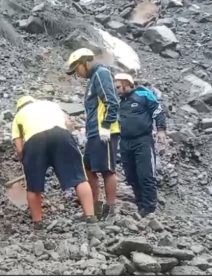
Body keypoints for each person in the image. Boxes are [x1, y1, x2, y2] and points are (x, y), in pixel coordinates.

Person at [11, 96, 103, 239]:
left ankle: (38, 227)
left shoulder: (18, 115)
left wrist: (27, 161)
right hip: (61, 135)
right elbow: (69, 125)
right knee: (79, 178)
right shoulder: (50, 104)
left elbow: (19, 148)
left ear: (19, 107)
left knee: (33, 187)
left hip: (34, 142)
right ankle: (91, 220)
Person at [66, 48, 120, 221]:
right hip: (94, 132)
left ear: (84, 62)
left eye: (77, 70)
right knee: (88, 167)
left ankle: (111, 210)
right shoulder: (92, 79)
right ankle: (95, 208)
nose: (78, 75)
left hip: (104, 131)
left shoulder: (101, 73)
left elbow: (111, 102)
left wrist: (105, 126)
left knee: (107, 169)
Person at [114, 73, 167, 217]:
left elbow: (158, 110)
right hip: (125, 142)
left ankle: (149, 208)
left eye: (118, 86)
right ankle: (140, 205)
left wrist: (161, 130)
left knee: (146, 175)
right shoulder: (120, 101)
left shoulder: (143, 94)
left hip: (142, 141)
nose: (116, 89)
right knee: (131, 176)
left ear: (127, 83)